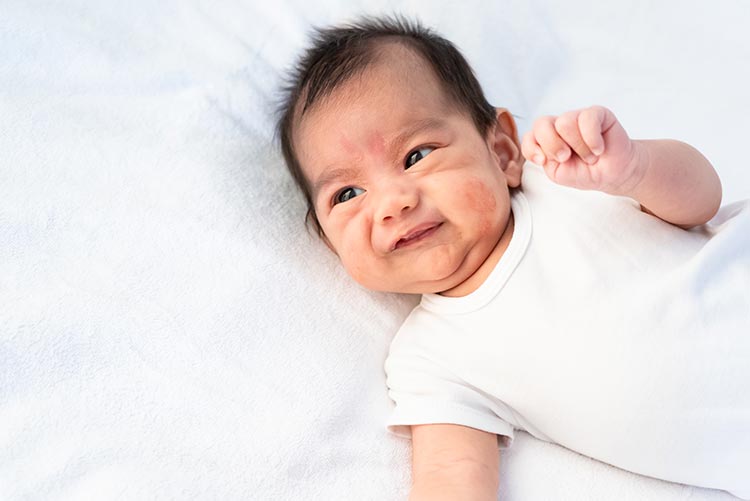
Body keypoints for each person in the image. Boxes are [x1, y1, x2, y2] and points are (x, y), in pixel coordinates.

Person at [276, 15, 750, 500]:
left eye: (416, 155)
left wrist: (634, 168)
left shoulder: (567, 181)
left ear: (502, 150)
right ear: (330, 245)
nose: (393, 202)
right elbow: (451, 475)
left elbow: (701, 201)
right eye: (348, 194)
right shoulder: (430, 359)